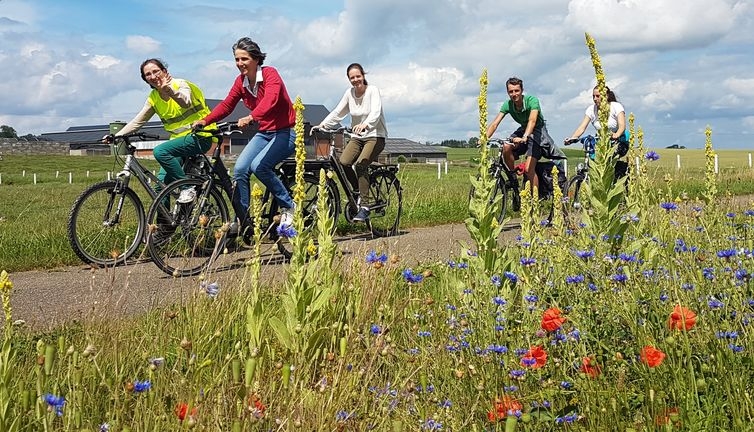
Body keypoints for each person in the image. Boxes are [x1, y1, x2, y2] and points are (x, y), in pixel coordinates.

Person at [193, 37, 296, 231]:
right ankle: (245, 219)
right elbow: (227, 105)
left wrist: (252, 116)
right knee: (240, 170)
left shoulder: (270, 74)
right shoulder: (241, 82)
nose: (240, 64)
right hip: (265, 132)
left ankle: (289, 206)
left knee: (260, 166)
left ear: (256, 59)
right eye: (237, 59)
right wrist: (205, 120)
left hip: (286, 131)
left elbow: (271, 99)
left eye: (244, 59)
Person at [112, 58, 217, 203]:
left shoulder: (180, 84)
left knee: (160, 151)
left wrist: (169, 90)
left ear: (165, 72)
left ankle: (187, 188)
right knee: (160, 187)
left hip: (200, 136)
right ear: (146, 80)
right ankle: (164, 225)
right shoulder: (154, 98)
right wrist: (116, 136)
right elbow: (138, 121)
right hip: (178, 141)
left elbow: (185, 102)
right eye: (148, 74)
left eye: (156, 71)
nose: (153, 76)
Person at [316, 63, 388, 222]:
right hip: (357, 137)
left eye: (358, 76)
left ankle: (365, 206)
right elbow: (337, 112)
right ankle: (358, 193)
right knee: (343, 162)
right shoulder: (349, 94)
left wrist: (366, 125)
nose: (355, 80)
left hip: (375, 136)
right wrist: (322, 125)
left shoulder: (372, 91)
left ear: (363, 75)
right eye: (352, 78)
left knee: (361, 165)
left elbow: (376, 112)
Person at [486, 77, 565, 191]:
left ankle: (534, 202)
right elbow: (494, 124)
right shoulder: (507, 105)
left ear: (522, 91)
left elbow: (532, 120)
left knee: (528, 170)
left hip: (538, 132)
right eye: (511, 91)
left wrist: (524, 137)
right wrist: (484, 139)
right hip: (523, 129)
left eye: (516, 90)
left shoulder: (532, 101)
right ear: (508, 92)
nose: (514, 94)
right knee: (506, 146)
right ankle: (512, 177)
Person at [565, 86, 629, 178]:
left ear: (605, 96)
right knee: (594, 160)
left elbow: (622, 125)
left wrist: (616, 134)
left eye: (598, 96)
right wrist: (572, 138)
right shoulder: (591, 109)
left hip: (619, 140)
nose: (595, 99)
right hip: (602, 140)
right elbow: (582, 127)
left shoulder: (616, 106)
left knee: (609, 163)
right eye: (593, 96)